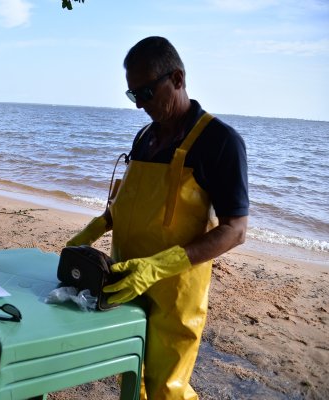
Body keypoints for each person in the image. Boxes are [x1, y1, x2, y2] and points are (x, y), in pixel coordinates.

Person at [67, 36, 248, 399]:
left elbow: (235, 230)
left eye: (146, 93)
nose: (140, 106)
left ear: (177, 79)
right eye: (133, 96)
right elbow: (129, 202)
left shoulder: (220, 141)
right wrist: (93, 229)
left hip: (175, 293)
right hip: (124, 278)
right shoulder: (144, 137)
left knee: (167, 388)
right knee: (132, 376)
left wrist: (157, 266)